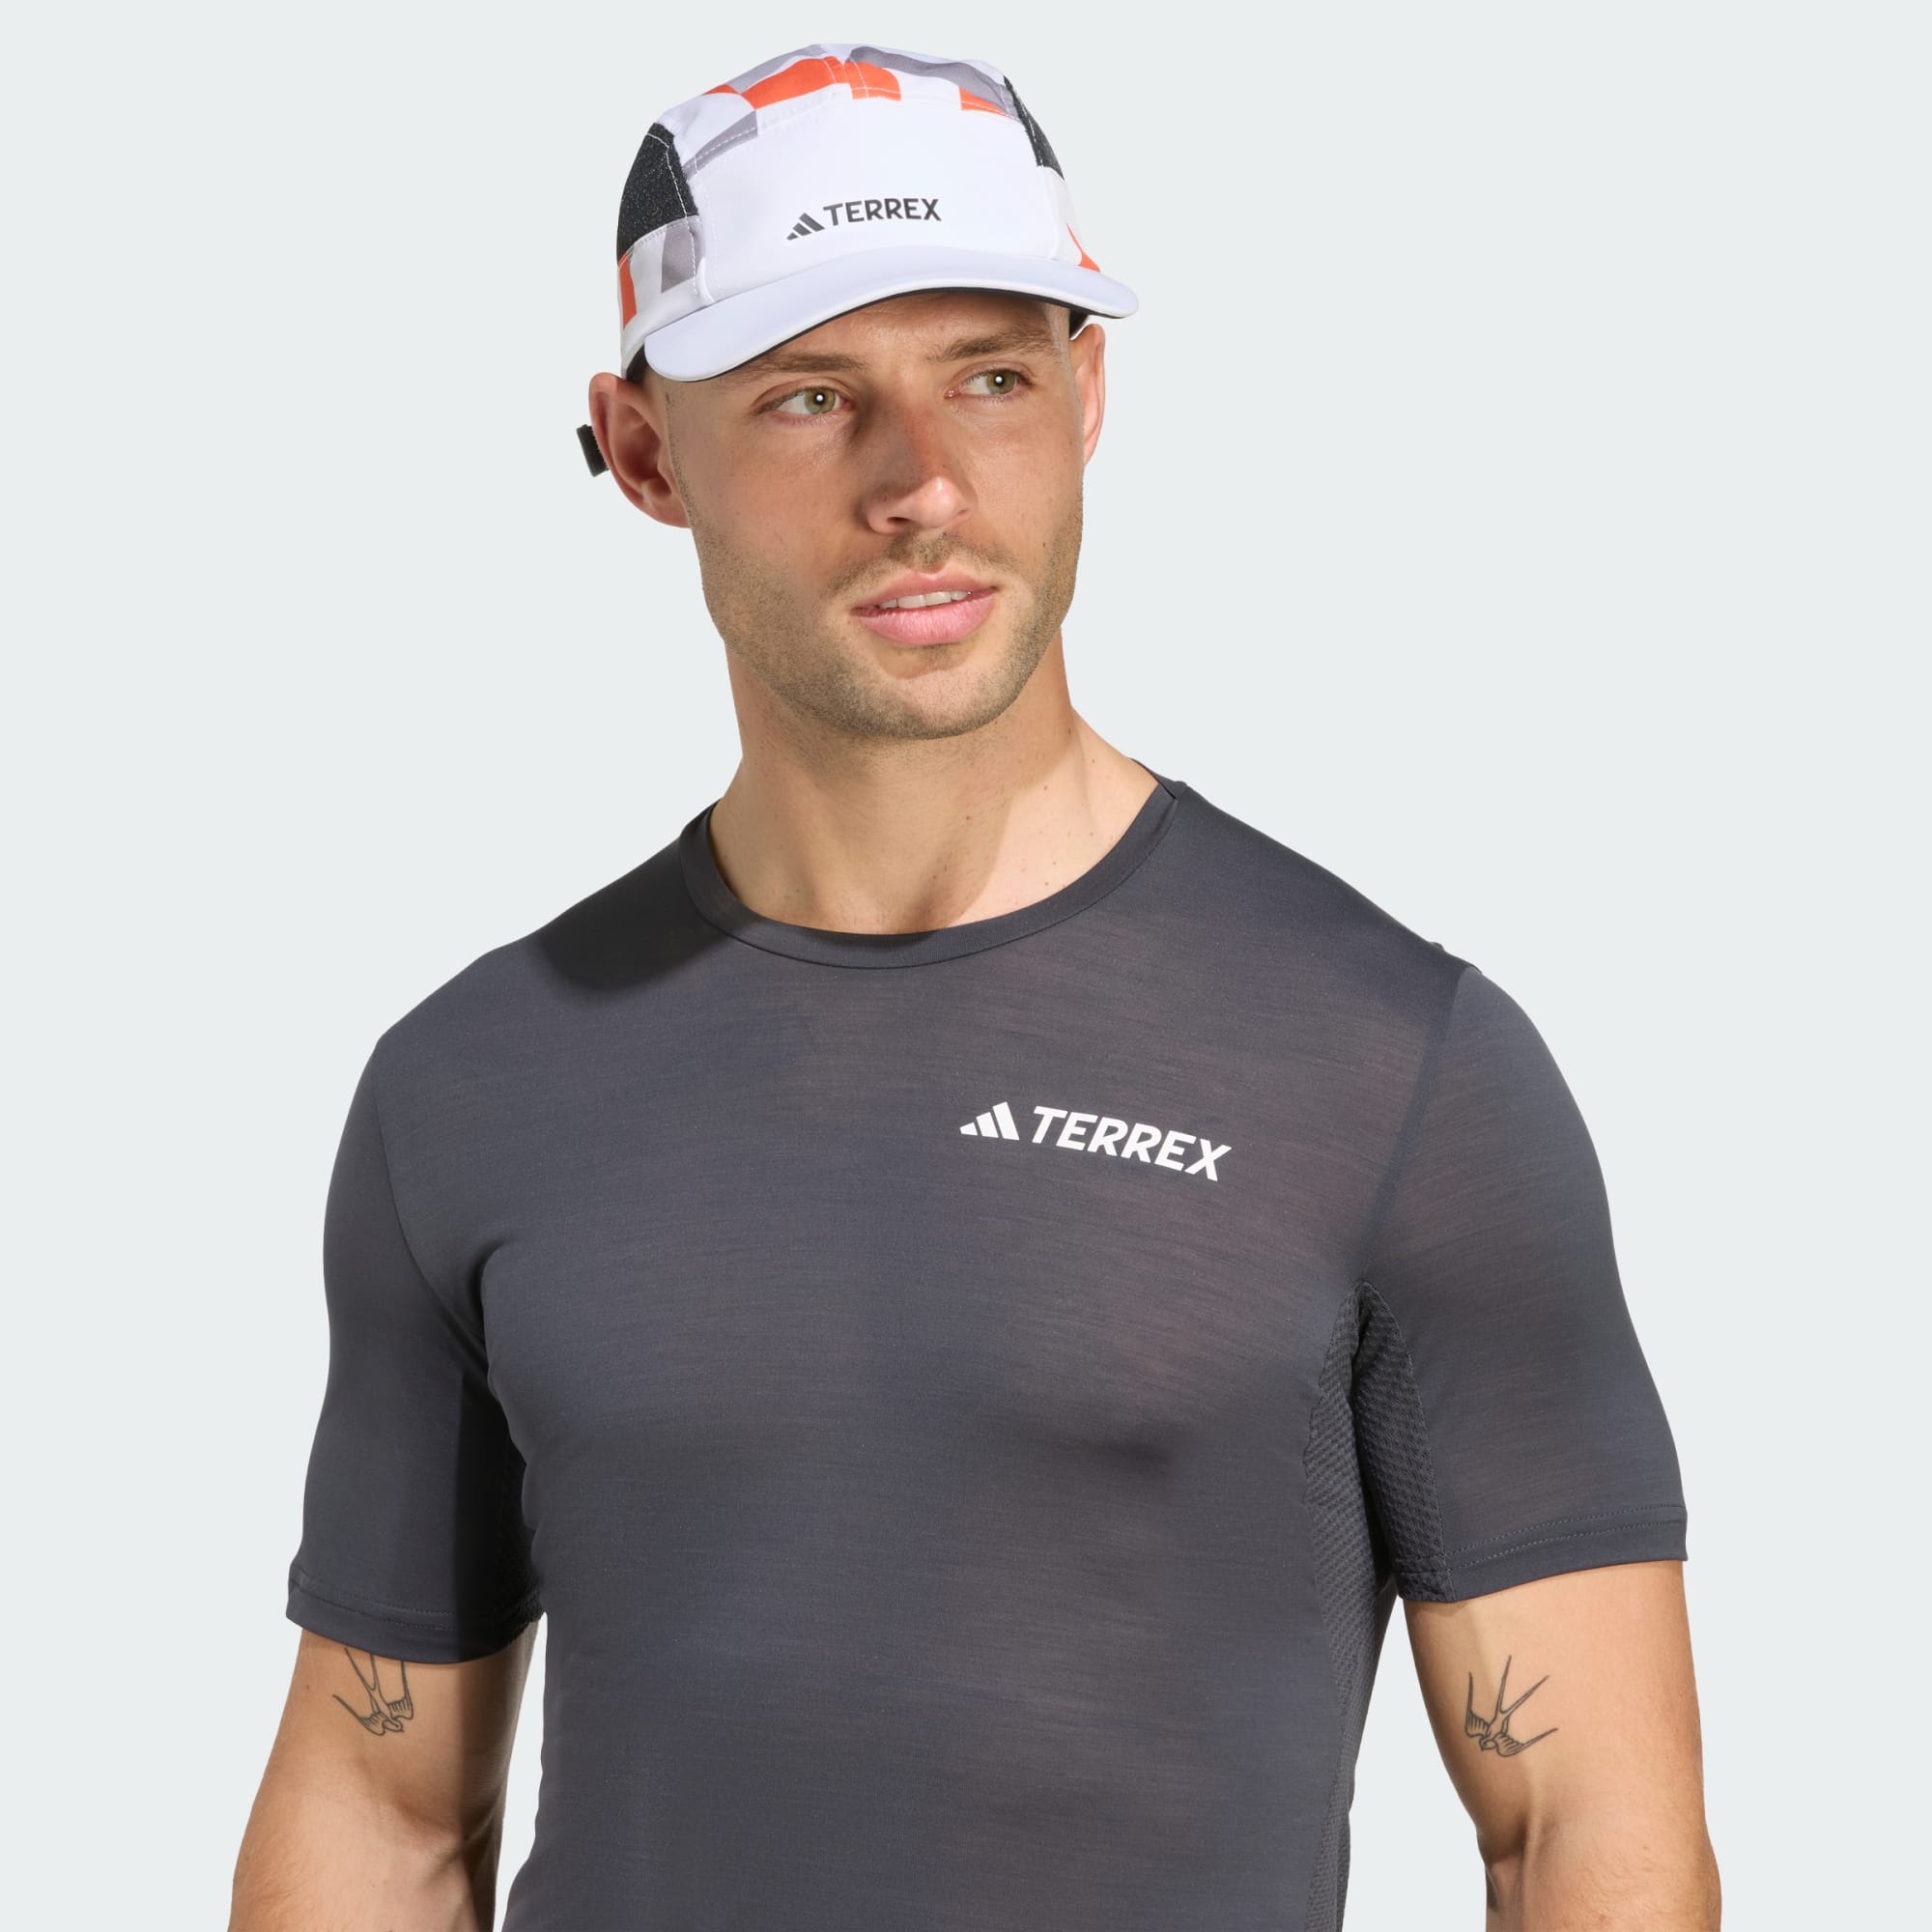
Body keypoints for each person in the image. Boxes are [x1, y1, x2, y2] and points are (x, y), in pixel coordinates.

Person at [231, 41, 1720, 1932]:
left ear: (1085, 396)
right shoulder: (475, 1083)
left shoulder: (1389, 1065)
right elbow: (375, 1813)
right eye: (808, 397)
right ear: (642, 450)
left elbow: (1584, 1831)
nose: (922, 485)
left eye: (991, 378)